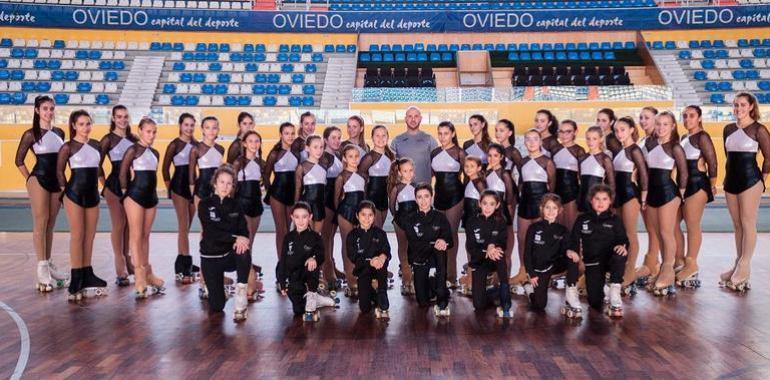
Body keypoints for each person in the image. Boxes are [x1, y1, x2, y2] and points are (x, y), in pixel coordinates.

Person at [16, 95, 67, 292]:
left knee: (51, 224)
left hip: (55, 181)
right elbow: (18, 160)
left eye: (51, 108)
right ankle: (41, 268)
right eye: (45, 108)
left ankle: (48, 262)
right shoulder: (31, 134)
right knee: (41, 221)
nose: (49, 112)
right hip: (38, 179)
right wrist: (30, 179)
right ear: (37, 110)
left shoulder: (60, 132)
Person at [721, 92, 770, 292]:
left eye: (742, 105)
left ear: (751, 107)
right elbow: (728, 157)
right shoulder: (728, 129)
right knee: (737, 224)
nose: (738, 108)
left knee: (748, 222)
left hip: (751, 181)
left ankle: (745, 265)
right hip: (731, 181)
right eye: (735, 105)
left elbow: (768, 157)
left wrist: (762, 181)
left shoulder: (759, 129)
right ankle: (737, 263)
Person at [57, 110, 107, 301]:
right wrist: (64, 194)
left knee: (90, 236)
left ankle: (87, 273)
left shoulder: (96, 145)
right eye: (82, 124)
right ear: (74, 126)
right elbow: (60, 171)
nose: (86, 127)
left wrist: (105, 186)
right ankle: (76, 276)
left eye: (88, 123)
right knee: (77, 236)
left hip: (92, 195)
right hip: (74, 194)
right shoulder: (67, 147)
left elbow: (98, 168)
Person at [197, 165, 252, 321]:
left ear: (232, 186)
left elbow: (243, 231)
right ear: (215, 183)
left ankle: (241, 294)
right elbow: (211, 232)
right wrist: (235, 237)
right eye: (222, 182)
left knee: (243, 251)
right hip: (210, 258)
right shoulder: (204, 204)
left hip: (228, 255)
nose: (225, 186)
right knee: (217, 306)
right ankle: (220, 290)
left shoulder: (236, 205)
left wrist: (242, 238)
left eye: (229, 183)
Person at [567, 184, 629, 317]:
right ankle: (605, 288)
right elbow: (574, 240)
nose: (601, 203)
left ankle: (614, 290)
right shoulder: (582, 219)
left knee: (620, 254)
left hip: (611, 261)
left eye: (604, 199)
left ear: (610, 201)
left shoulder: (615, 220)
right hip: (593, 263)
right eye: (597, 199)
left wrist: (622, 246)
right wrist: (573, 251)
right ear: (591, 200)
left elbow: (623, 239)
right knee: (594, 302)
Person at [119, 118, 163, 298]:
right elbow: (122, 173)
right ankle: (139, 276)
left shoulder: (155, 153)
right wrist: (125, 195)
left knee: (145, 236)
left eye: (154, 132)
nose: (151, 135)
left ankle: (148, 273)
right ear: (140, 131)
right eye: (148, 131)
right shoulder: (133, 150)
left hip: (150, 197)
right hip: (134, 196)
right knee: (136, 236)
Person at [645, 111, 688, 296]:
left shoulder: (675, 147)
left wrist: (681, 196)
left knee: (666, 232)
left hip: (669, 193)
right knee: (657, 233)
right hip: (653, 193)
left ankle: (668, 271)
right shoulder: (650, 143)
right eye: (658, 124)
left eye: (665, 124)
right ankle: (663, 267)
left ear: (672, 126)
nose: (661, 128)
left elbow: (684, 173)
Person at [677, 105, 717, 289]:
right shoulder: (684, 137)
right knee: (672, 223)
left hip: (698, 184)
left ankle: (691, 263)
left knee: (692, 224)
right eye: (685, 116)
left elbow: (712, 162)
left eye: (691, 116)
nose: (687, 120)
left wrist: (713, 184)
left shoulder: (703, 136)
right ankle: (679, 260)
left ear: (699, 118)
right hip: (683, 185)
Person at [277, 202, 336, 322]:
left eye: (304, 217)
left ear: (310, 217)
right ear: (292, 217)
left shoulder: (315, 237)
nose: (301, 220)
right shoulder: (288, 238)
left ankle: (312, 294)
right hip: (294, 277)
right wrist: (281, 281)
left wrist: (313, 258)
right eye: (297, 217)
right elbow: (282, 261)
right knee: (298, 310)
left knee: (312, 265)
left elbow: (321, 255)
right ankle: (318, 300)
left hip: (308, 274)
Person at [400, 184, 453, 317]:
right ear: (415, 199)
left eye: (426, 196)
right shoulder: (410, 220)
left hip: (436, 259)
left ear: (432, 197)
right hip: (420, 259)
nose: (423, 201)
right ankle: (433, 284)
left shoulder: (440, 217)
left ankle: (442, 298)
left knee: (441, 250)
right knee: (422, 301)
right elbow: (415, 245)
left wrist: (443, 242)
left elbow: (450, 241)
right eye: (419, 197)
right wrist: (434, 243)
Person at [98, 105, 136, 286]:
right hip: (113, 186)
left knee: (129, 225)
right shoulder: (107, 140)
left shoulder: (133, 139)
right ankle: (119, 265)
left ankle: (128, 259)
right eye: (119, 117)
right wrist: (104, 185)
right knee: (119, 224)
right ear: (113, 118)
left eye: (125, 116)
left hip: (131, 187)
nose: (122, 120)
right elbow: (96, 163)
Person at [514, 129, 556, 295]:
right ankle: (524, 270)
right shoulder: (523, 162)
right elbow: (521, 183)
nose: (531, 142)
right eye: (528, 139)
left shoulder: (547, 162)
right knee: (522, 238)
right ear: (524, 142)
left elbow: (552, 188)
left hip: (541, 206)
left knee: (540, 240)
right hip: (525, 204)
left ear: (540, 142)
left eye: (535, 139)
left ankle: (541, 271)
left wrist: (548, 210)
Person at [523, 194, 578, 314]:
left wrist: (570, 251)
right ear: (542, 209)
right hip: (539, 269)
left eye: (554, 208)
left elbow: (567, 248)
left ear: (559, 210)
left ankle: (571, 295)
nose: (551, 211)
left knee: (572, 257)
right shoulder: (533, 228)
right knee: (539, 305)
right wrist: (531, 273)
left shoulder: (562, 230)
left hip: (554, 265)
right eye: (547, 207)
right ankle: (529, 289)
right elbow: (527, 253)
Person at [612, 117, 649, 295]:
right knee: (620, 234)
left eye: (623, 130)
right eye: (617, 130)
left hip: (630, 194)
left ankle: (630, 270)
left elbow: (643, 172)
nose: (619, 133)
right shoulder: (621, 149)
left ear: (632, 130)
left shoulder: (634, 149)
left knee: (629, 233)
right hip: (619, 195)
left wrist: (643, 196)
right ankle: (622, 266)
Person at [162, 113, 198, 284]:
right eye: (186, 125)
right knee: (183, 225)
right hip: (178, 186)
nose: (189, 128)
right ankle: (185, 264)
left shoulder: (197, 145)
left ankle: (181, 259)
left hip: (193, 186)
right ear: (180, 125)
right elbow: (165, 169)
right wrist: (170, 189)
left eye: (192, 125)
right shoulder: (174, 145)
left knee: (187, 225)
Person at [232, 130, 267, 300]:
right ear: (244, 143)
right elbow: (231, 186)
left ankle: (247, 280)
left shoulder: (261, 163)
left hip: (256, 205)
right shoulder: (238, 162)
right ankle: (247, 284)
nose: (254, 144)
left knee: (250, 243)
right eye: (251, 141)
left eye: (257, 141)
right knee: (244, 245)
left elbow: (266, 182)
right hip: (242, 205)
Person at [430, 121, 466, 288]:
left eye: (446, 133)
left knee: (451, 234)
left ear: (452, 134)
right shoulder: (435, 152)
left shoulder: (459, 152)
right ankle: (441, 272)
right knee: (439, 234)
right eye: (440, 133)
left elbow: (469, 175)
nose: (443, 136)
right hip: (439, 197)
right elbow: (431, 177)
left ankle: (452, 275)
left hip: (455, 197)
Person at [465, 190, 511, 317]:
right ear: (479, 203)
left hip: (495, 259)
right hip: (479, 261)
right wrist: (488, 250)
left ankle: (505, 300)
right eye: (484, 203)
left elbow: (503, 243)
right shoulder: (471, 221)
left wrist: (493, 247)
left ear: (497, 205)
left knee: (500, 255)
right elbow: (471, 247)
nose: (487, 207)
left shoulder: (501, 221)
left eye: (491, 204)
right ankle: (494, 293)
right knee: (478, 305)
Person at [347, 201, 391, 319]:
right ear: (357, 216)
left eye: (370, 215)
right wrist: (370, 261)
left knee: (382, 263)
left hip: (379, 269)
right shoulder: (352, 236)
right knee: (365, 308)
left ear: (374, 216)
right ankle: (371, 293)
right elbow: (353, 257)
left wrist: (382, 257)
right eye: (363, 215)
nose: (367, 218)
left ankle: (382, 292)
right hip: (363, 269)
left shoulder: (380, 233)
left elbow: (387, 250)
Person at [264, 122, 298, 267]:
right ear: (280, 134)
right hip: (277, 194)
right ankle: (282, 264)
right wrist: (270, 192)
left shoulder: (296, 152)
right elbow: (265, 175)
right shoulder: (274, 154)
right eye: (286, 133)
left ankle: (289, 261)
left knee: (289, 230)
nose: (290, 136)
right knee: (281, 229)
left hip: (291, 194)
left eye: (292, 133)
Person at [635, 106, 662, 286]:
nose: (643, 121)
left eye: (647, 118)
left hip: (655, 188)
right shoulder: (644, 140)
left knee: (656, 229)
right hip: (644, 187)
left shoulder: (658, 140)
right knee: (650, 227)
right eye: (641, 118)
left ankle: (652, 263)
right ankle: (653, 263)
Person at [335, 145, 366, 297]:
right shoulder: (342, 177)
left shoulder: (362, 176)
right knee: (347, 244)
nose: (354, 159)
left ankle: (359, 276)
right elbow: (336, 198)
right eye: (350, 156)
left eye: (356, 156)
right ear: (344, 159)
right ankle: (350, 279)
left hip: (359, 214)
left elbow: (364, 197)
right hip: (345, 213)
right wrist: (339, 214)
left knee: (358, 245)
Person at [485, 143, 518, 287]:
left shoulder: (505, 174)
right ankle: (493, 280)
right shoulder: (487, 173)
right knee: (492, 249)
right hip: (489, 217)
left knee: (504, 252)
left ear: (502, 157)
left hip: (503, 217)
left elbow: (510, 200)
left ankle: (505, 282)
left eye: (495, 156)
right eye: (490, 155)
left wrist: (507, 220)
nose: (492, 158)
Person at [387, 157, 417, 295]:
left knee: (414, 248)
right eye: (405, 171)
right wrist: (397, 218)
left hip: (414, 222)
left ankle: (415, 278)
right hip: (400, 221)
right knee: (403, 248)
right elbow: (392, 206)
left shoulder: (417, 186)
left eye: (411, 170)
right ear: (399, 172)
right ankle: (406, 279)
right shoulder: (396, 188)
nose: (408, 173)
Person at [320, 126, 344, 292]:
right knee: (325, 237)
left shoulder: (335, 155)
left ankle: (331, 265)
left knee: (331, 237)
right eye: (333, 138)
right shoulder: (325, 157)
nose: (336, 141)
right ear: (326, 140)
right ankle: (326, 271)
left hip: (335, 199)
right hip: (326, 199)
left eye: (338, 137)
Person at [550, 120, 586, 230]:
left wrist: (581, 196)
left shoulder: (579, 150)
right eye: (561, 131)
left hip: (572, 193)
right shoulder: (555, 148)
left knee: (571, 227)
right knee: (557, 227)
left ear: (575, 132)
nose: (564, 135)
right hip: (556, 192)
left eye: (568, 131)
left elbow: (582, 176)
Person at [391, 106, 438, 185]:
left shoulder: (430, 140)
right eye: (410, 116)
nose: (413, 119)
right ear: (405, 119)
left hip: (424, 190)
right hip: (403, 190)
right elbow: (392, 167)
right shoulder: (397, 140)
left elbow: (436, 165)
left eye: (416, 116)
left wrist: (425, 176)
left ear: (420, 118)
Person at [359, 125, 394, 229]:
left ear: (387, 137)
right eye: (377, 135)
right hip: (371, 199)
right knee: (376, 231)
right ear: (372, 138)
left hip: (384, 199)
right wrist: (364, 202)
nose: (380, 138)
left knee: (379, 232)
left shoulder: (390, 156)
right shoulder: (369, 157)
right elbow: (360, 179)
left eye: (383, 135)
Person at [189, 116, 225, 211]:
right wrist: (192, 193)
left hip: (217, 190)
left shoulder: (221, 149)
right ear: (202, 129)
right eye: (207, 127)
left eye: (214, 127)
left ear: (218, 129)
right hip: (201, 189)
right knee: (205, 222)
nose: (211, 131)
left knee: (218, 221)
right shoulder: (196, 149)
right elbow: (191, 173)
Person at [294, 135, 328, 233]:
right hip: (306, 204)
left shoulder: (324, 165)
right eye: (315, 147)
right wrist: (296, 208)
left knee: (317, 236)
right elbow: (298, 189)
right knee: (306, 235)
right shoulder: (302, 167)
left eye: (321, 147)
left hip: (320, 204)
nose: (319, 150)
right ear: (307, 148)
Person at [577, 126, 615, 213]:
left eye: (594, 139)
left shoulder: (605, 159)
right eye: (588, 139)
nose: (590, 142)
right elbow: (581, 179)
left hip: (598, 200)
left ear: (601, 139)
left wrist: (610, 203)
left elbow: (612, 183)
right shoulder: (582, 158)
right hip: (583, 198)